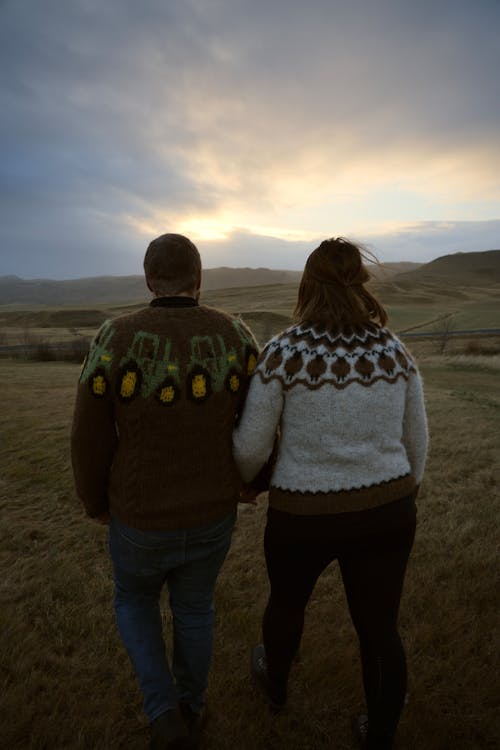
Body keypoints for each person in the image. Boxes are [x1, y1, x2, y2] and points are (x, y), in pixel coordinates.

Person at [232, 237, 428, 750]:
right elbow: (417, 441)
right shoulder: (394, 352)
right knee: (380, 628)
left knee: (287, 603)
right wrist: (409, 489)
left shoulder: (283, 352)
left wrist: (247, 479)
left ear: (307, 284)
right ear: (360, 284)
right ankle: (379, 734)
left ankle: (275, 684)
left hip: (303, 515)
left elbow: (252, 445)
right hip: (388, 511)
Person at [71, 233, 259, 750]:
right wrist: (253, 481)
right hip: (213, 512)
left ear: (149, 279)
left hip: (137, 514)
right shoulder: (236, 336)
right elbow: (262, 421)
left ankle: (162, 713)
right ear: (199, 279)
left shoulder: (114, 337)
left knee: (134, 601)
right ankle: (191, 706)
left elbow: (87, 434)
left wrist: (95, 502)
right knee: (195, 608)